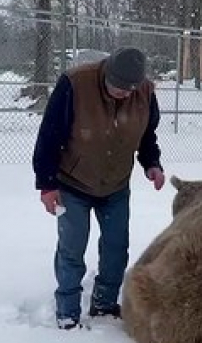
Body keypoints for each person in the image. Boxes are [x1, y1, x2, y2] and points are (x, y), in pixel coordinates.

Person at [32, 46, 165, 330]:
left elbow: (146, 135)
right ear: (107, 73)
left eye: (131, 89)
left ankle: (104, 303)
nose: (125, 94)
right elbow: (49, 135)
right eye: (119, 88)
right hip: (72, 183)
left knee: (116, 248)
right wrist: (46, 185)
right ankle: (67, 309)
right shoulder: (75, 84)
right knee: (72, 248)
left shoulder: (145, 92)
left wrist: (152, 163)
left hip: (116, 185)